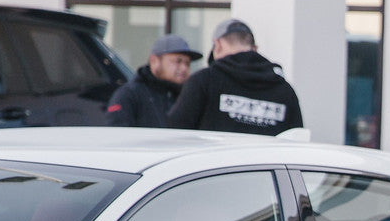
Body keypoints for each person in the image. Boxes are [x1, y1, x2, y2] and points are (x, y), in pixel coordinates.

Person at [167, 18, 304, 135]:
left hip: (213, 165)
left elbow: (175, 134)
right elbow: (296, 141)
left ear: (218, 45)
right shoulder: (284, 90)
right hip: (264, 165)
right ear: (255, 49)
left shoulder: (204, 81)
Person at [104, 34, 201, 127]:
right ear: (154, 61)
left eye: (187, 63)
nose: (184, 68)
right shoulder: (129, 95)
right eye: (178, 61)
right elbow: (119, 136)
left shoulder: (188, 97)